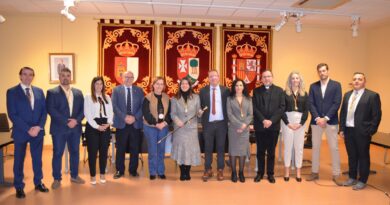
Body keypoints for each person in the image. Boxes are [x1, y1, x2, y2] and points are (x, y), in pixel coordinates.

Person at [6, 67, 49, 199]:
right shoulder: (12, 92)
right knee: (18, 160)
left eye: (30, 75)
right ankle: (19, 186)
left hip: (37, 132)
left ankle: (38, 182)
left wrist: (38, 127)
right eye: (24, 74)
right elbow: (12, 114)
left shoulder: (39, 91)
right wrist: (28, 129)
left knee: (37, 159)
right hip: (21, 132)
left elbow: (44, 112)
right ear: (20, 76)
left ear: (33, 77)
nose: (27, 77)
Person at [340, 72, 381, 190]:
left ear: (364, 81)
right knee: (352, 155)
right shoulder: (347, 95)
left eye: (359, 79)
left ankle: (363, 180)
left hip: (363, 132)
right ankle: (352, 177)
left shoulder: (372, 96)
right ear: (352, 82)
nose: (357, 81)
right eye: (354, 79)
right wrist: (342, 128)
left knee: (363, 156)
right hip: (348, 130)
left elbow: (376, 115)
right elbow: (343, 113)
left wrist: (370, 131)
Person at [47, 67, 85, 189]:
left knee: (75, 152)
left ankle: (74, 176)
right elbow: (51, 110)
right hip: (59, 129)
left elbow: (83, 110)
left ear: (71, 77)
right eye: (63, 75)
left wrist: (77, 121)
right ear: (59, 77)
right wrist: (66, 121)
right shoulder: (52, 92)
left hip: (75, 128)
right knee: (57, 153)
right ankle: (57, 179)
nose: (65, 78)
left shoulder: (78, 93)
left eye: (68, 75)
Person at [307, 63, 342, 184]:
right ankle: (314, 172)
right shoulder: (313, 86)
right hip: (316, 122)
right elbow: (310, 103)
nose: (322, 73)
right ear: (318, 73)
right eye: (320, 71)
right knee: (316, 147)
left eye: (324, 71)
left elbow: (337, 103)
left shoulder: (336, 85)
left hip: (331, 121)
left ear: (328, 71)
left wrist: (325, 118)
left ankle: (336, 174)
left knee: (334, 148)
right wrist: (317, 118)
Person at [252, 70, 285, 183]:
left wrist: (271, 121)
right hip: (260, 126)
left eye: (269, 76)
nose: (266, 78)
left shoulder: (279, 91)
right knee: (260, 151)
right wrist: (263, 120)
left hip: (273, 126)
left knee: (271, 152)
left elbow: (281, 108)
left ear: (272, 77)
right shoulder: (256, 91)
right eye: (264, 77)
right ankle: (260, 173)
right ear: (261, 79)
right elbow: (254, 108)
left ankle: (270, 174)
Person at [112, 71, 144, 179]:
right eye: (126, 77)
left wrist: (134, 117)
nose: (129, 79)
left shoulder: (139, 90)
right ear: (122, 78)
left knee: (135, 148)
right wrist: (125, 117)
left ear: (133, 78)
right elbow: (114, 106)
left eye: (131, 77)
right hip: (122, 123)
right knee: (120, 148)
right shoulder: (116, 90)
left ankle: (133, 170)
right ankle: (119, 170)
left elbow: (142, 106)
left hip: (135, 123)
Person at [170, 77, 203, 181]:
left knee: (189, 150)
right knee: (181, 150)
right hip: (179, 128)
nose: (184, 85)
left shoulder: (196, 97)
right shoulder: (175, 98)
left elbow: (198, 113)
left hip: (191, 128)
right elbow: (172, 113)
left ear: (190, 86)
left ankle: (187, 172)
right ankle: (182, 172)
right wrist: (177, 121)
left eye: (186, 84)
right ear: (180, 86)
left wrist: (200, 113)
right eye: (182, 84)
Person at [199, 69, 230, 182]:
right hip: (208, 124)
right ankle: (208, 169)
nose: (213, 78)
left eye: (215, 76)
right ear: (208, 78)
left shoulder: (226, 90)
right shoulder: (203, 91)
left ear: (219, 77)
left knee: (221, 147)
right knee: (208, 148)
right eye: (211, 76)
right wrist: (199, 111)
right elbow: (200, 106)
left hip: (222, 124)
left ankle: (220, 169)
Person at [84, 77, 113, 184]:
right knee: (92, 152)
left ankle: (102, 174)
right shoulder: (88, 97)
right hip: (93, 127)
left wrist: (108, 123)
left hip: (105, 125)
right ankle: (92, 175)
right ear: (93, 85)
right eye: (97, 84)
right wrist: (97, 126)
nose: (99, 86)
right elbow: (87, 114)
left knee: (104, 152)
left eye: (101, 84)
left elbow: (110, 112)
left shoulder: (107, 97)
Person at [281, 71, 309, 182]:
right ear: (290, 80)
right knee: (287, 147)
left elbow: (307, 110)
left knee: (299, 147)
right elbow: (281, 109)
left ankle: (298, 172)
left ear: (300, 80)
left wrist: (301, 123)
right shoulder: (285, 93)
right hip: (287, 121)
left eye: (297, 78)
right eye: (293, 78)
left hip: (300, 122)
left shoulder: (304, 94)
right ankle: (287, 171)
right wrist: (288, 123)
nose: (295, 80)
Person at [143, 77, 171, 180]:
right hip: (150, 127)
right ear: (153, 85)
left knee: (161, 150)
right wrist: (156, 124)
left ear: (164, 86)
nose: (159, 86)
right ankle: (152, 172)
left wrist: (164, 123)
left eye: (161, 84)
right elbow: (146, 113)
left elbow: (169, 113)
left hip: (163, 127)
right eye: (157, 84)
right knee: (152, 150)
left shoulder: (167, 97)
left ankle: (161, 171)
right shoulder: (147, 97)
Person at [226, 79, 253, 183]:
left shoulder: (248, 99)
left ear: (243, 87)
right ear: (234, 87)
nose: (238, 87)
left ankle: (241, 172)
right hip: (233, 129)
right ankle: (233, 172)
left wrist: (244, 125)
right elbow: (229, 114)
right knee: (233, 151)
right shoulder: (230, 99)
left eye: (240, 85)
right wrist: (239, 124)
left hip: (245, 129)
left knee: (242, 152)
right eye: (236, 85)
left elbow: (250, 114)